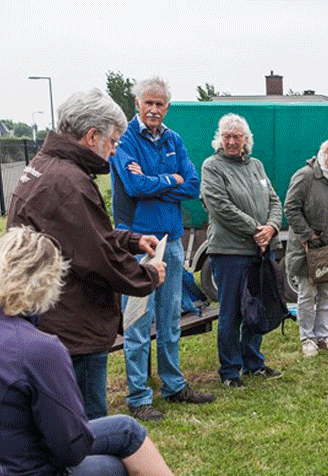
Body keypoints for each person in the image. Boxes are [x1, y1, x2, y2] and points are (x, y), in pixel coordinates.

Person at [0, 227, 255, 476]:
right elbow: (69, 450)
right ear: (49, 284)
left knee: (125, 430)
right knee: (118, 473)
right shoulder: (38, 349)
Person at [6, 88, 165, 421]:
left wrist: (132, 240)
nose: (114, 148)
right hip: (72, 326)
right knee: (87, 423)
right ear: (92, 135)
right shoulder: (69, 182)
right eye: (113, 141)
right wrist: (147, 275)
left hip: (49, 319)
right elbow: (96, 256)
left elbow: (78, 235)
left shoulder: (45, 166)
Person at [110, 76, 214, 421]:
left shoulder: (175, 140)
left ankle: (173, 385)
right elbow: (134, 186)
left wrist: (156, 185)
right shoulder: (124, 140)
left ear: (167, 107)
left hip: (171, 242)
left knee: (170, 319)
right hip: (137, 243)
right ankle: (139, 398)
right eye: (148, 103)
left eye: (160, 104)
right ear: (137, 104)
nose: (154, 109)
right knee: (138, 324)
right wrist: (172, 179)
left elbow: (193, 185)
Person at [200, 113, 283, 387]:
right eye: (227, 136)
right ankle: (230, 370)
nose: (232, 141)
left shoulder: (256, 165)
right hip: (230, 252)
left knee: (256, 308)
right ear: (219, 139)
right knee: (231, 313)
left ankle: (254, 362)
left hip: (260, 250)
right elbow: (220, 207)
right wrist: (255, 229)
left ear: (246, 140)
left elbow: (274, 200)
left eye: (237, 137)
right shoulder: (212, 167)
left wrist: (271, 227)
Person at [284, 134, 328, 357]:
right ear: (324, 153)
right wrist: (308, 235)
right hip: (308, 247)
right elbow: (291, 208)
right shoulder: (305, 176)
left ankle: (323, 336)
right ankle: (307, 338)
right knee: (307, 293)